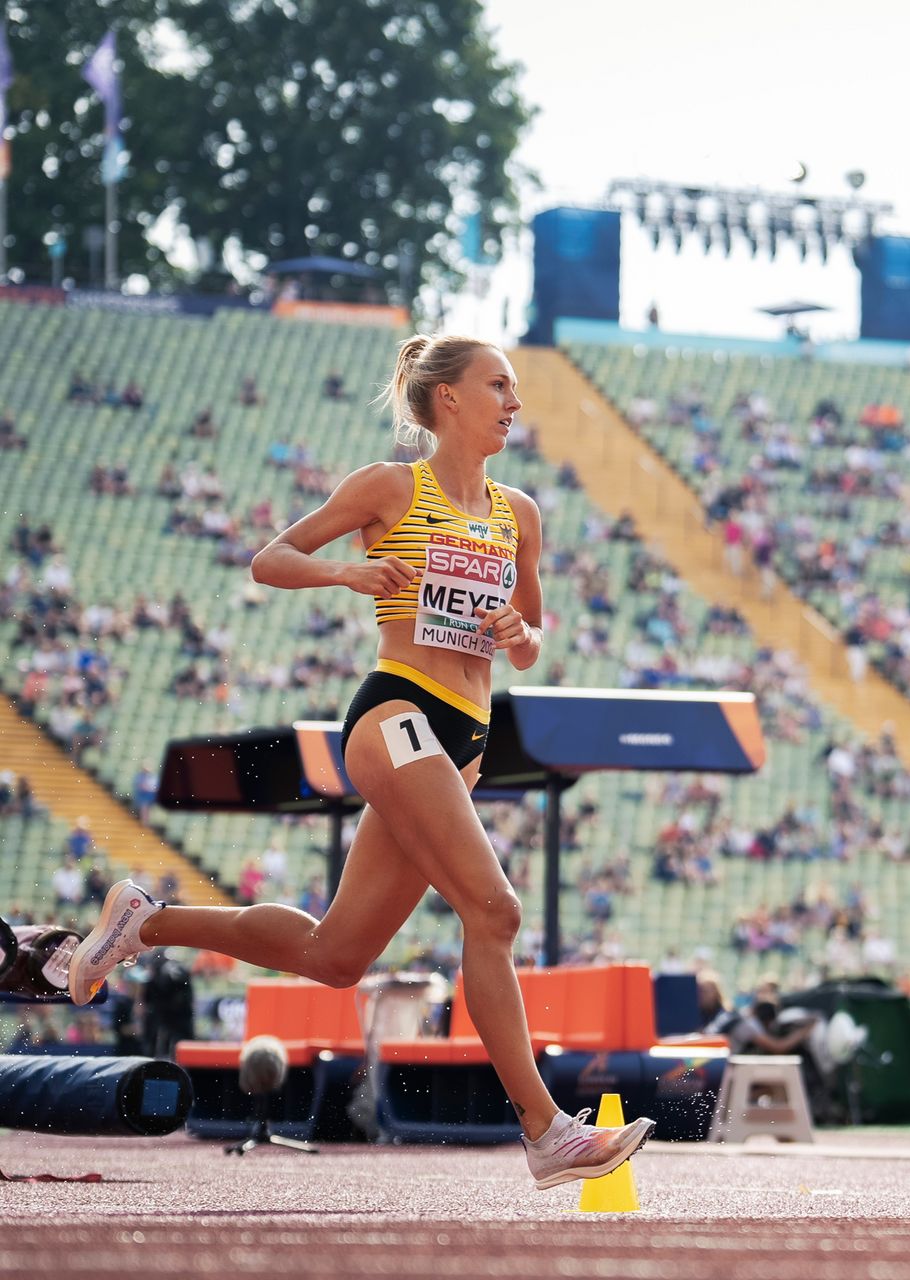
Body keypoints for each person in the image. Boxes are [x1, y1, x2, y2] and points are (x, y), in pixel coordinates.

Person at [66, 333, 653, 1190]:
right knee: (493, 910)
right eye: (500, 385)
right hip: (396, 713)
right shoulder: (392, 486)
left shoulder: (518, 513)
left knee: (337, 957)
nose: (514, 402)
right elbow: (272, 558)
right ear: (448, 398)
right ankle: (545, 1129)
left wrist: (519, 635)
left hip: (465, 742)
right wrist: (350, 573)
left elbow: (527, 640)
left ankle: (144, 923)